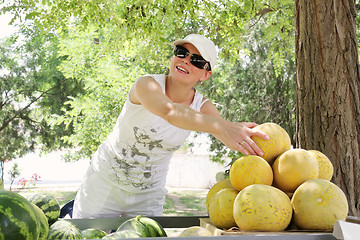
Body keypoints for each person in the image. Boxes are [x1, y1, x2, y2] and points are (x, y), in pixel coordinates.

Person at [72, 34, 269, 218]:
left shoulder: (203, 107)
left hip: (148, 195)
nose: (185, 60)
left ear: (205, 75)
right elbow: (170, 112)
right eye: (182, 52)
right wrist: (222, 125)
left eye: (197, 60)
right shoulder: (146, 85)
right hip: (103, 183)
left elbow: (232, 138)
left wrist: (262, 147)